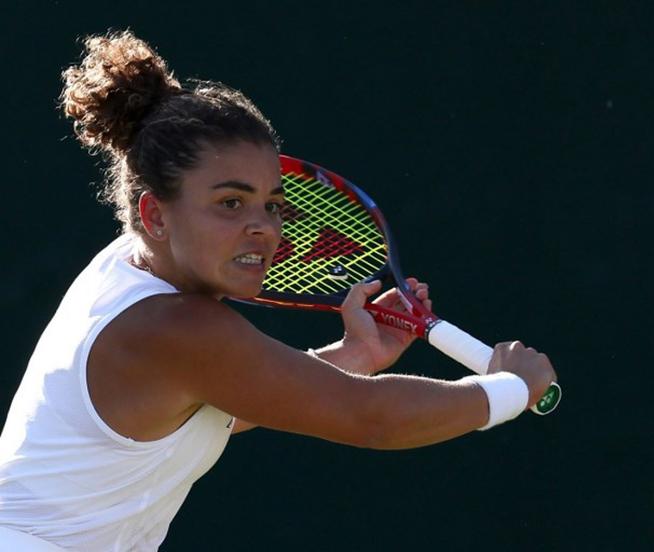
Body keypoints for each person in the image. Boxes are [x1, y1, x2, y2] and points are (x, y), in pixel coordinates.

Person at [0, 31, 557, 551]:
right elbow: (372, 419)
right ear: (155, 214)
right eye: (230, 203)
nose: (265, 227)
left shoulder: (126, 268)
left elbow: (202, 407)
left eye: (272, 204)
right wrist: (511, 388)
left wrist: (352, 356)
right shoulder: (175, 327)